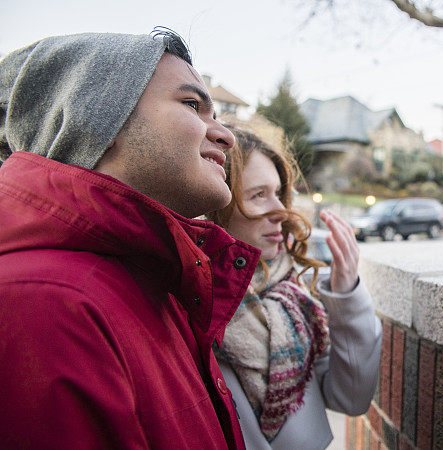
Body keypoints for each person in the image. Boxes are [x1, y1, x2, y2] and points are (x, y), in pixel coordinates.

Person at [0, 30, 259, 449]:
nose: (225, 135)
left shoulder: (154, 278)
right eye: (193, 105)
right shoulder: (42, 304)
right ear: (98, 118)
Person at [207, 127, 381, 450]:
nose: (281, 212)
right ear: (217, 204)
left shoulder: (292, 296)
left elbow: (352, 398)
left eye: (278, 193)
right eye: (259, 195)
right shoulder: (192, 303)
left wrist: (348, 296)